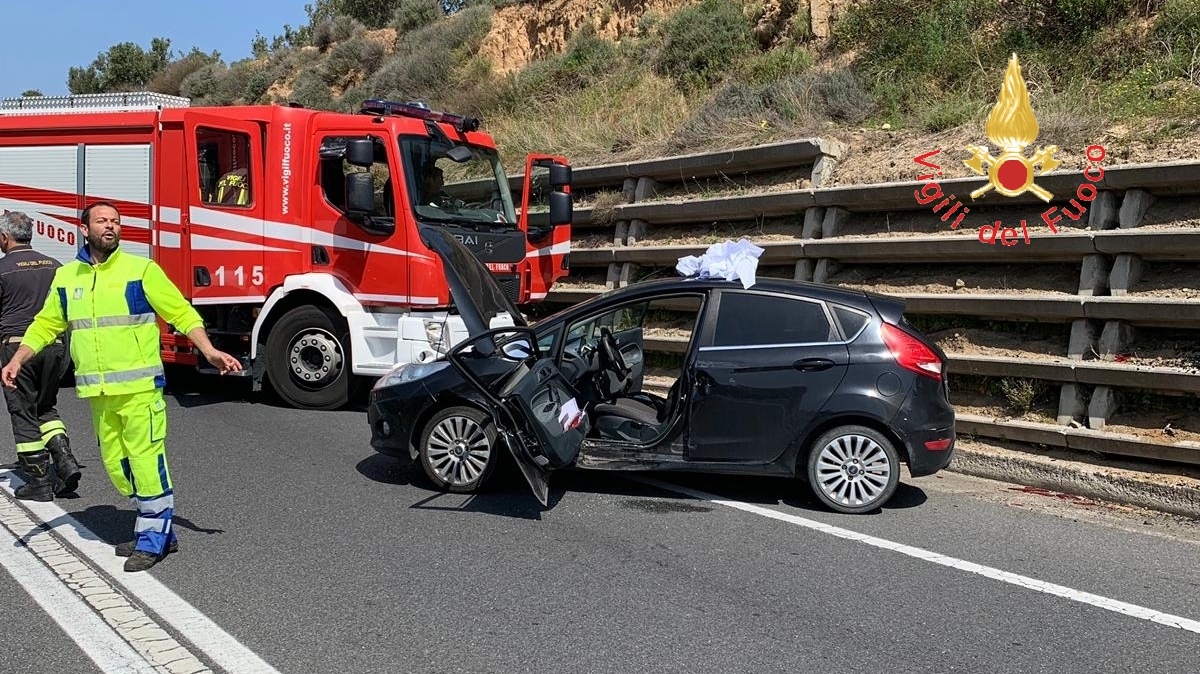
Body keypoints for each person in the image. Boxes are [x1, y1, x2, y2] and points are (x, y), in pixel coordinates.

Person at [1, 202, 243, 572]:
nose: (110, 226)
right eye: (101, 221)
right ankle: (161, 528)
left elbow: (180, 312)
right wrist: (18, 358)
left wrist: (208, 350)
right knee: (118, 468)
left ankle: (153, 540)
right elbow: (47, 324)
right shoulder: (67, 277)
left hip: (140, 390)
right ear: (85, 229)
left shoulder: (140, 270)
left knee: (147, 463)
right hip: (99, 395)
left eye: (115, 221)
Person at [0, 211, 80, 501]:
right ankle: (64, 460)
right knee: (46, 407)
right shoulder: (56, 266)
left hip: (18, 348)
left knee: (22, 411)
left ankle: (38, 481)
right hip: (56, 347)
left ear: (4, 237)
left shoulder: (3, 269)